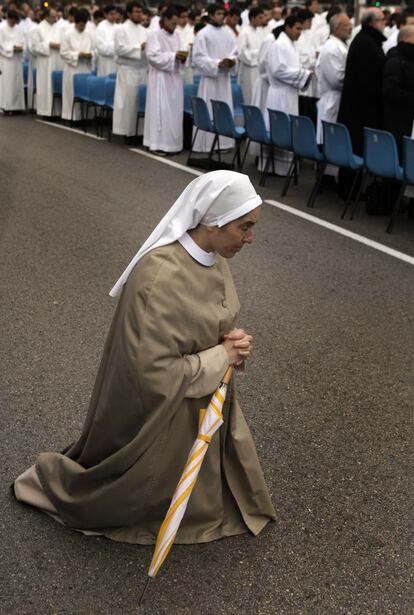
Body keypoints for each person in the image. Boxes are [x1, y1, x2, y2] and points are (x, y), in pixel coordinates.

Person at [14, 170, 276, 546]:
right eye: (244, 227)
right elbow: (152, 373)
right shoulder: (159, 276)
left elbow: (207, 322)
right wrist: (222, 355)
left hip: (195, 403)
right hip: (157, 415)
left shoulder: (214, 258)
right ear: (212, 223)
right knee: (135, 497)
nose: (250, 238)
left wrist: (230, 341)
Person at [266, 13, 311, 174]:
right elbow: (279, 71)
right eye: (297, 28)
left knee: (289, 129)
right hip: (280, 95)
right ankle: (276, 167)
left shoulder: (292, 44)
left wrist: (303, 73)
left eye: (301, 29)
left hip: (290, 93)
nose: (300, 32)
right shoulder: (279, 45)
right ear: (288, 27)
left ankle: (285, 167)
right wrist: (304, 74)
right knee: (281, 129)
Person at [337, 8, 386, 156]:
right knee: (357, 149)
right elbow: (368, 81)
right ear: (374, 23)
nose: (385, 23)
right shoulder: (366, 44)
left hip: (359, 108)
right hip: (362, 110)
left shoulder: (366, 40)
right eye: (383, 20)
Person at [191, 3, 238, 153]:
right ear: (210, 15)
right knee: (209, 110)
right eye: (218, 14)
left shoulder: (228, 33)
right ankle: (206, 144)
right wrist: (218, 63)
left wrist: (231, 60)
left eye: (222, 14)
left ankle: (224, 143)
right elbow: (197, 58)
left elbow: (235, 52)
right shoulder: (203, 33)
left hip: (224, 80)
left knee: (224, 109)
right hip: (210, 80)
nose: (221, 17)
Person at [143, 6, 186, 155]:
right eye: (172, 23)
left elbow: (181, 53)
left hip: (175, 78)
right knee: (161, 111)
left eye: (176, 23)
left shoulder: (177, 36)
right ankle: (157, 144)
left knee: (173, 113)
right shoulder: (155, 35)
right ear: (165, 20)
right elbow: (152, 56)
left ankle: (173, 145)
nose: (175, 26)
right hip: (160, 79)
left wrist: (183, 57)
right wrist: (174, 56)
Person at [112, 1, 147, 139]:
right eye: (136, 12)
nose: (139, 14)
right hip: (128, 70)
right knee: (128, 103)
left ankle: (140, 132)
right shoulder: (121, 29)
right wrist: (139, 47)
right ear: (129, 13)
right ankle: (128, 132)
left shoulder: (145, 30)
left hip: (142, 70)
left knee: (140, 102)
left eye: (140, 11)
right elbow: (119, 49)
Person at [315, 12, 351, 143]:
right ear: (336, 28)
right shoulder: (331, 48)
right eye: (346, 25)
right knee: (330, 142)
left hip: (339, 100)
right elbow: (337, 80)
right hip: (332, 101)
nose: (350, 28)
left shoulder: (340, 45)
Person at [383, 25, 414, 158]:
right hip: (397, 120)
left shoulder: (408, 59)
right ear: (404, 39)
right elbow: (391, 91)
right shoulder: (395, 61)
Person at [60, 9, 95, 121]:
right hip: (73, 69)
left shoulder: (89, 34)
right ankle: (72, 117)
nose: (82, 27)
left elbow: (95, 50)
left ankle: (86, 117)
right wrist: (78, 55)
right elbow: (64, 53)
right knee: (72, 93)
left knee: (86, 93)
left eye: (84, 24)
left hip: (85, 68)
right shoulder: (67, 35)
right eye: (80, 25)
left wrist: (91, 54)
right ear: (75, 22)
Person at [32, 7, 65, 117]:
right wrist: (49, 45)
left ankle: (58, 112)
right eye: (53, 16)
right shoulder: (38, 28)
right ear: (46, 16)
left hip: (58, 60)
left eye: (56, 16)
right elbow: (34, 46)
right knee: (46, 85)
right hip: (45, 62)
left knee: (56, 85)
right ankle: (46, 111)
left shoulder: (59, 28)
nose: (55, 18)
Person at [237, 6, 266, 105]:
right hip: (248, 70)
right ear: (253, 18)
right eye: (260, 17)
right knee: (249, 99)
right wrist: (258, 54)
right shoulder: (244, 32)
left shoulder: (260, 31)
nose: (262, 20)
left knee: (258, 99)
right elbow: (241, 53)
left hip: (258, 69)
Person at [0, 9, 25, 113]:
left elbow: (23, 42)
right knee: (7, 84)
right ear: (9, 19)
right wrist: (11, 48)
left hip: (17, 59)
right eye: (13, 21)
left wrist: (21, 47)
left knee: (17, 83)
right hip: (6, 60)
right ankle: (6, 106)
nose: (14, 23)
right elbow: (1, 44)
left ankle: (17, 106)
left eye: (16, 21)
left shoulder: (18, 29)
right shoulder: (1, 28)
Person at [296, 8, 317, 125]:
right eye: (309, 21)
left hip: (310, 77)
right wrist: (313, 59)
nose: (311, 24)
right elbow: (301, 59)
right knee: (302, 109)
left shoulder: (309, 35)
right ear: (303, 21)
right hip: (301, 78)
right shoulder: (298, 37)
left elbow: (312, 53)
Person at [95, 4, 118, 76]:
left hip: (116, 62)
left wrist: (110, 45)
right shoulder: (100, 27)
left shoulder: (119, 27)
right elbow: (101, 48)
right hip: (105, 63)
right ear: (105, 14)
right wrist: (116, 46)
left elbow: (122, 46)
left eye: (115, 14)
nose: (114, 16)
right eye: (111, 14)